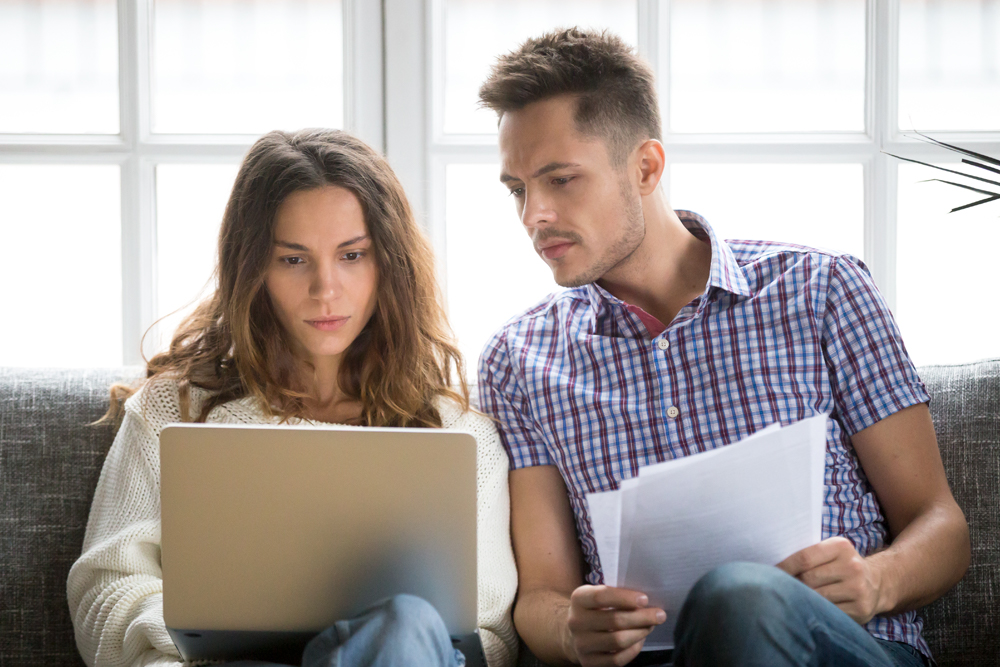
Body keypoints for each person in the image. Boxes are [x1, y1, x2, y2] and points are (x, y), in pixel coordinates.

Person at [475, 28, 970, 667]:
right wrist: (572, 628)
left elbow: (941, 526)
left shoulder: (822, 291)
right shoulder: (518, 361)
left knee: (740, 598)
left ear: (646, 167)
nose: (533, 214)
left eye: (561, 180)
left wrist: (875, 582)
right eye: (517, 190)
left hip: (841, 650)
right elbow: (541, 595)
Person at [67, 129, 518, 667]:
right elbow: (107, 587)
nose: (326, 289)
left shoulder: (459, 432)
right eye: (293, 260)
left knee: (406, 625)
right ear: (253, 268)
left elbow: (490, 629)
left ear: (389, 264)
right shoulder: (175, 412)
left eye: (352, 255)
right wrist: (191, 650)